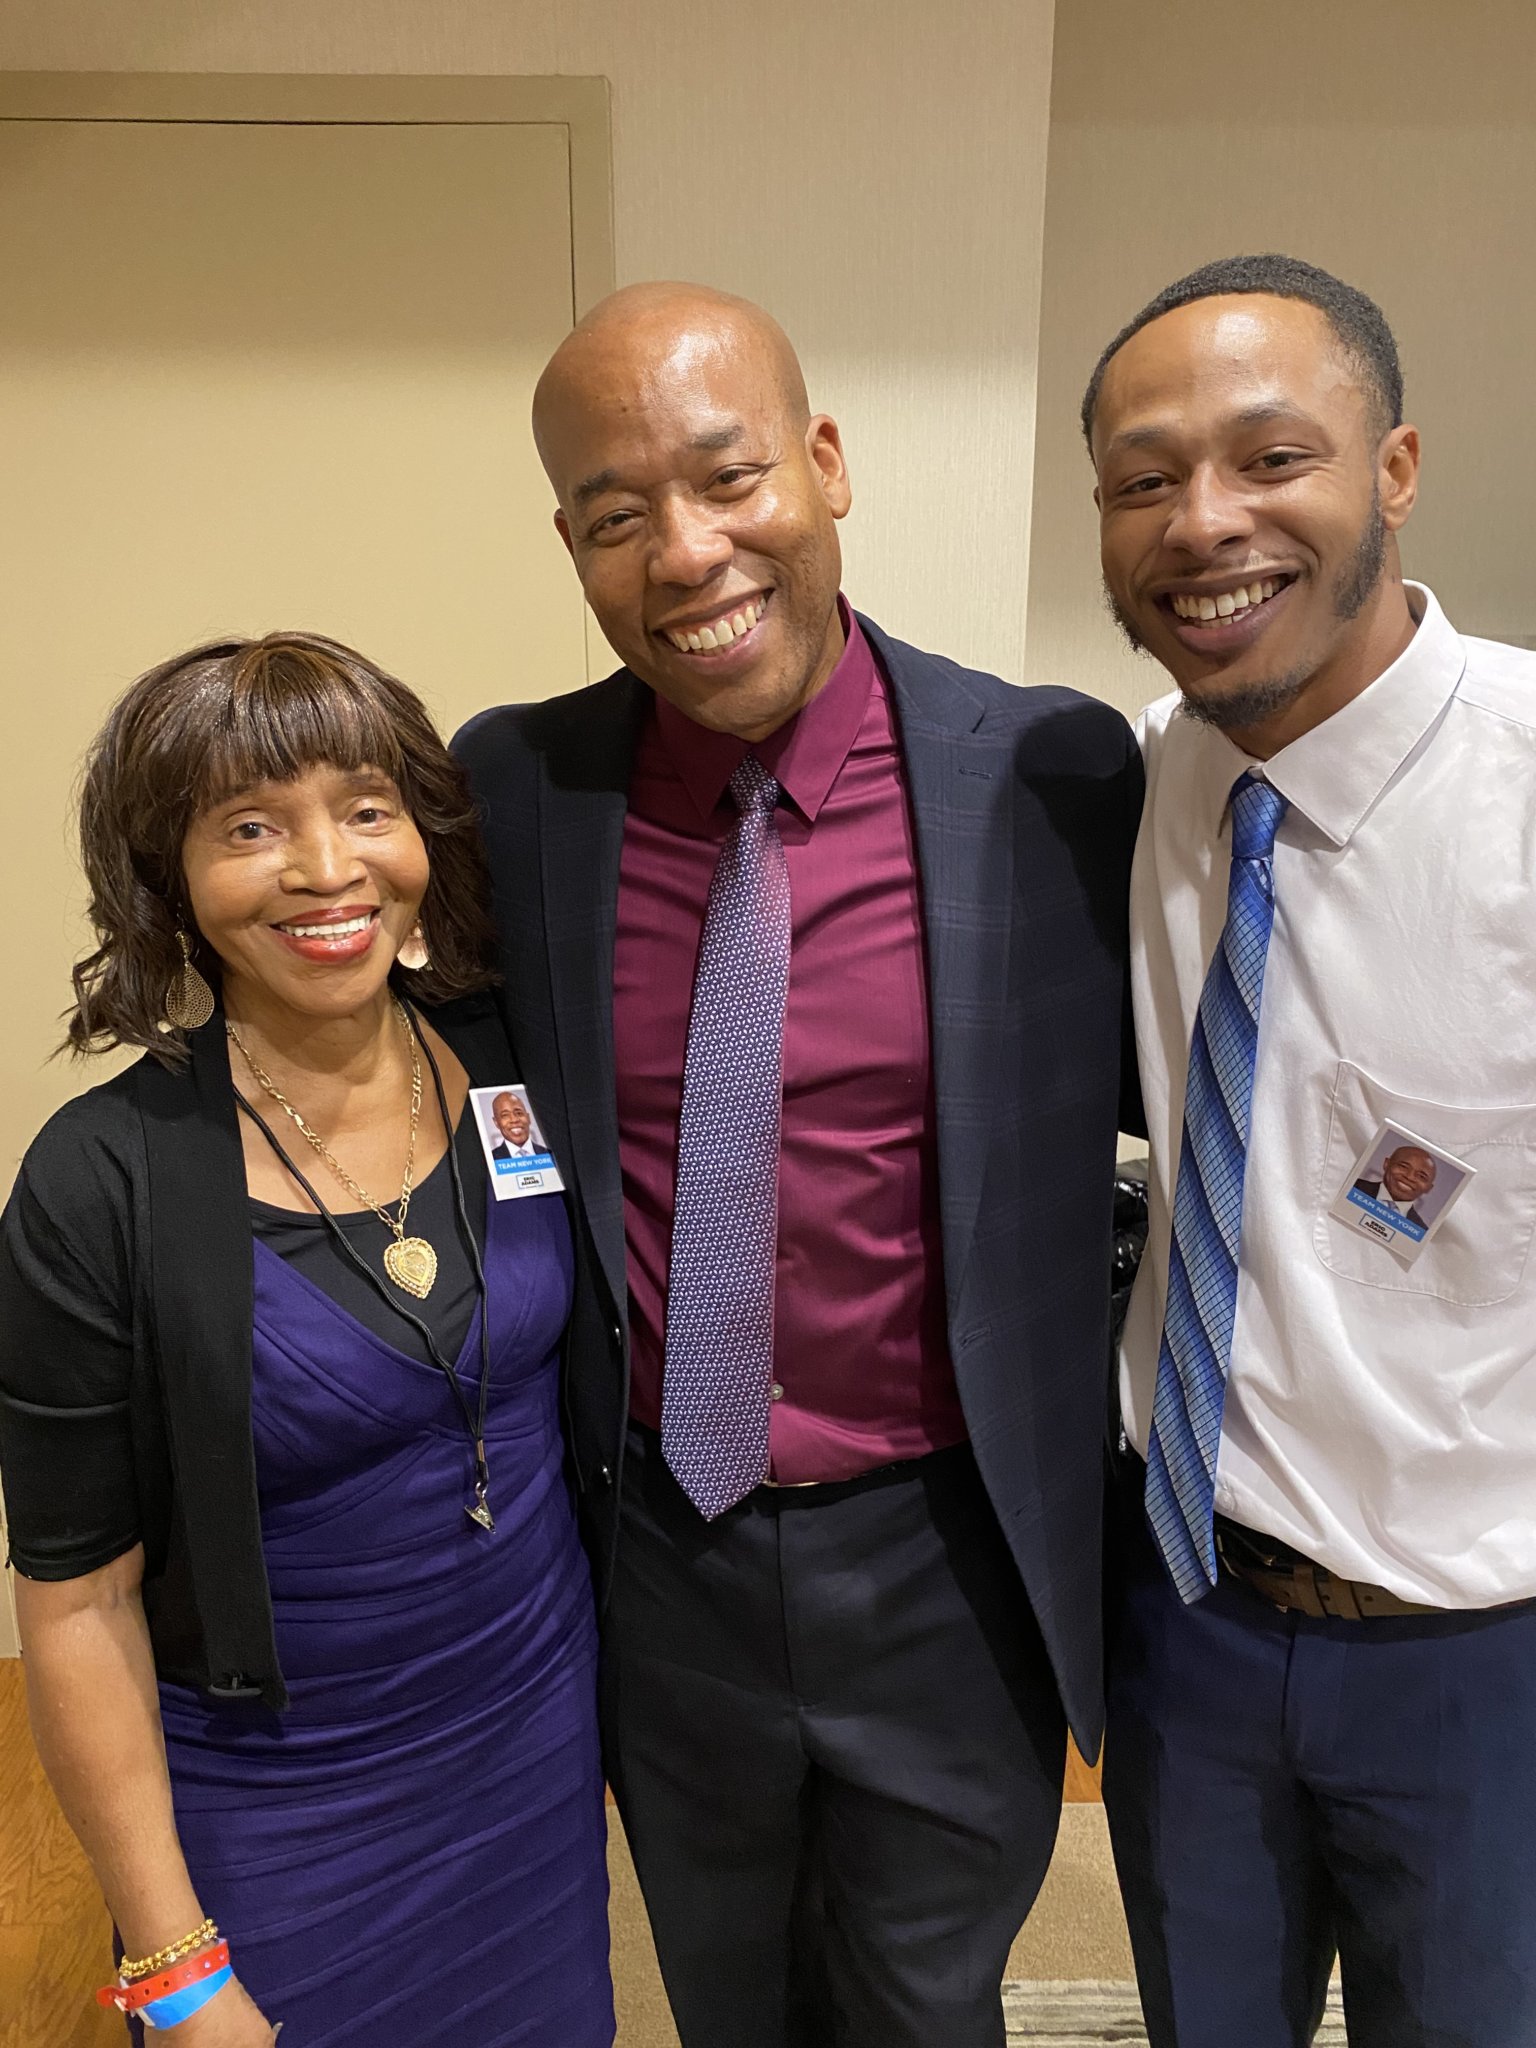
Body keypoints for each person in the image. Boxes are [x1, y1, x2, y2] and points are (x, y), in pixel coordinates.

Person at [455, 282, 1143, 2048]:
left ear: (825, 466)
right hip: (660, 1551)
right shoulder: (518, 789)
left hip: (945, 1547)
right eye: (617, 516)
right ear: (572, 548)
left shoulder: (1053, 772)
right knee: (724, 1995)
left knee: (926, 2003)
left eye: (727, 476)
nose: (684, 553)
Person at [0, 635, 613, 2046]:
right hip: (281, 1799)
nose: (325, 866)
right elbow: (78, 1603)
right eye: (251, 827)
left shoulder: (518, 1063)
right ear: (173, 878)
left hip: (530, 1745)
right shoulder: (102, 1183)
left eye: (366, 807)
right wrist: (173, 1961)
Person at [1091, 253, 1536, 2047]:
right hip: (1186, 1607)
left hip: (1480, 1651)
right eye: (1144, 479)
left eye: (1271, 458)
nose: (1206, 523)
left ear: (1396, 467)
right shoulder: (1126, 785)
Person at [1353, 1142, 1436, 1226]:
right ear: (1386, 1164)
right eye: (1403, 1167)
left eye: (1421, 1176)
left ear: (1428, 1188)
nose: (1409, 1177)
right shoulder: (1352, 1187)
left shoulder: (1420, 1230)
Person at [489, 1088, 539, 1159]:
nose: (514, 1119)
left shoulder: (549, 1154)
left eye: (519, 1113)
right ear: (496, 1122)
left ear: (528, 1118)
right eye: (505, 1115)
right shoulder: (491, 1158)